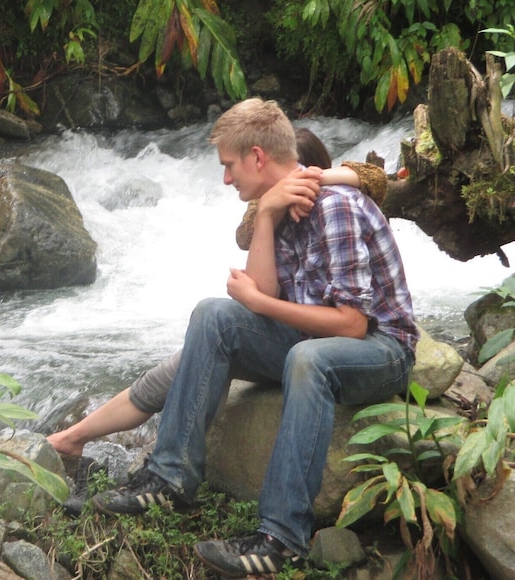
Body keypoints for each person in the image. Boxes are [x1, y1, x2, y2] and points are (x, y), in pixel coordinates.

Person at [77, 98, 419, 578]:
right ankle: (168, 479)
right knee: (214, 315)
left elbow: (352, 325)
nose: (225, 179)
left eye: (229, 165)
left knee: (308, 359)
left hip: (382, 350)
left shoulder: (335, 206)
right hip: (310, 337)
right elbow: (260, 293)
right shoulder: (275, 204)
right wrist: (266, 216)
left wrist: (260, 303)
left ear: (257, 157)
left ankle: (280, 538)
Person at [46, 127, 388, 459]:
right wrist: (270, 208)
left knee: (206, 345)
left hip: (327, 345)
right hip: (284, 336)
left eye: (302, 175)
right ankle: (74, 437)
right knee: (178, 365)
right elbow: (244, 237)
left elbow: (374, 177)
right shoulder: (265, 210)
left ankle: (107, 446)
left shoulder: (339, 210)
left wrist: (316, 181)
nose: (226, 179)